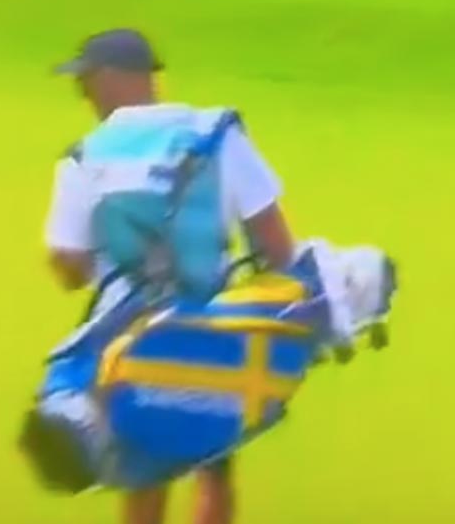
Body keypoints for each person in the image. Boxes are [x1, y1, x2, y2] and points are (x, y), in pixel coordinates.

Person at [44, 28, 295, 524]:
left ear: (111, 79)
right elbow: (276, 243)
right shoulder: (216, 135)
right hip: (214, 330)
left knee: (142, 471)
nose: (83, 95)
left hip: (129, 335)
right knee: (214, 469)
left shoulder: (86, 154)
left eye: (85, 82)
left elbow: (67, 263)